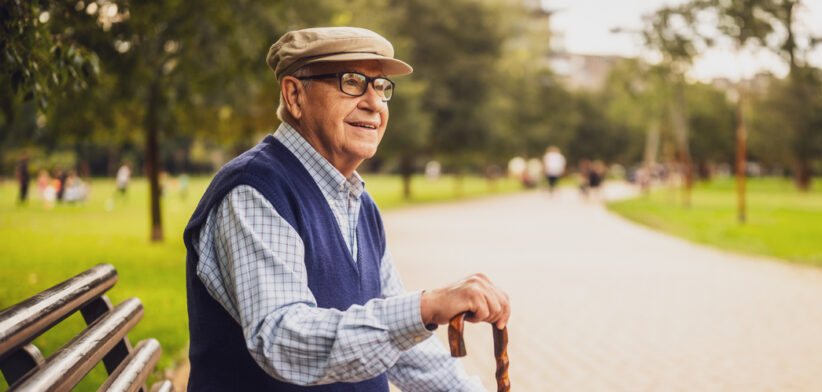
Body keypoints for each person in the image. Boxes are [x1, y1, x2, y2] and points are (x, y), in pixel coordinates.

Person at [183, 27, 510, 391]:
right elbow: (282, 339)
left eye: (382, 86)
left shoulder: (358, 202)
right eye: (351, 82)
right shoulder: (254, 190)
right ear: (294, 95)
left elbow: (402, 346)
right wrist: (427, 306)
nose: (374, 102)